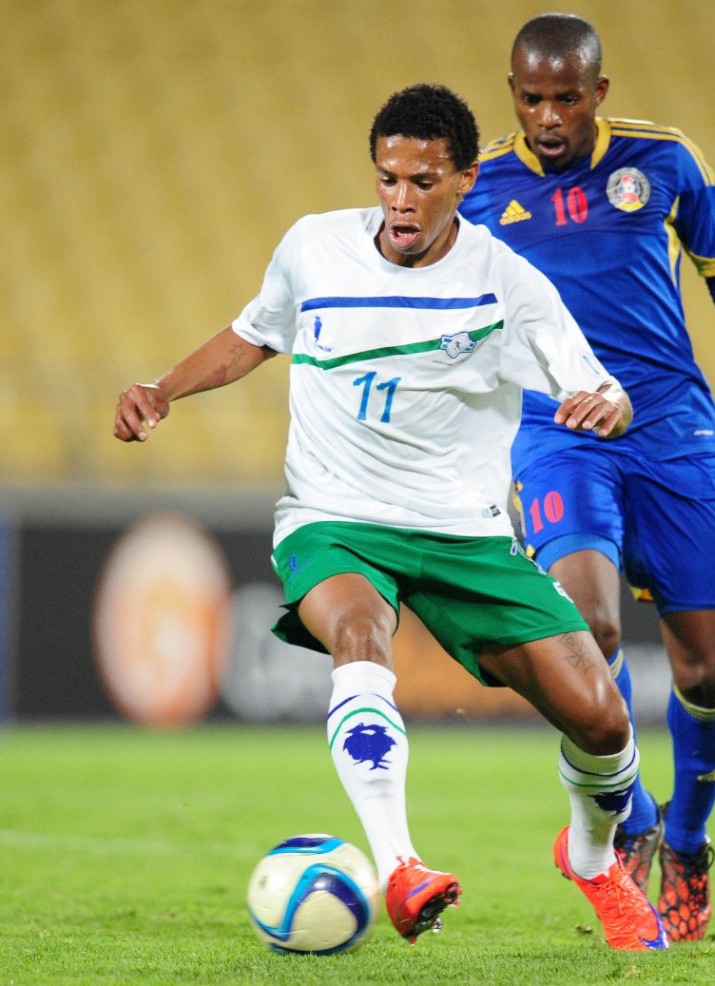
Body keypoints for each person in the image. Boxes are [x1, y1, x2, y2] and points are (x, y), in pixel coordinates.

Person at [113, 83, 669, 952]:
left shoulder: (507, 283)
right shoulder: (313, 247)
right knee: (360, 634)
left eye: (421, 181)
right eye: (387, 179)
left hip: (464, 531)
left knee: (602, 720)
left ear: (464, 179)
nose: (401, 201)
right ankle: (401, 865)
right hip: (333, 514)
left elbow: (600, 386)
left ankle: (595, 860)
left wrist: (604, 408)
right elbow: (254, 334)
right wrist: (163, 388)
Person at [459, 15, 715, 942]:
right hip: (556, 431)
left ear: (598, 93)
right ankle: (638, 819)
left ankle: (688, 845)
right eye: (529, 98)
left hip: (669, 425)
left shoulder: (663, 161)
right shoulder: (480, 187)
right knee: (590, 625)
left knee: (705, 667)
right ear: (513, 94)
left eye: (565, 98)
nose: (546, 116)